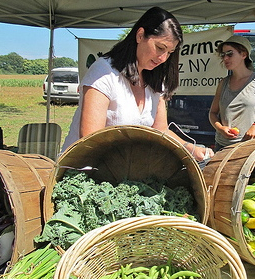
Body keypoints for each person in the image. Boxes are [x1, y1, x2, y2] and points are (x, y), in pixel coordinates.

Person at [61, 6, 213, 162]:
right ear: (140, 35)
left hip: (124, 169)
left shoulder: (154, 80)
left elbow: (161, 130)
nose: (163, 58)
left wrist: (191, 148)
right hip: (84, 170)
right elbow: (90, 141)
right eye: (160, 48)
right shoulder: (104, 73)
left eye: (170, 52)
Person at [209, 35, 255, 151]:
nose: (225, 58)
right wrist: (220, 128)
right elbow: (212, 113)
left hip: (250, 147)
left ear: (243, 54)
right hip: (223, 147)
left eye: (230, 54)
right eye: (223, 55)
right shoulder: (223, 83)